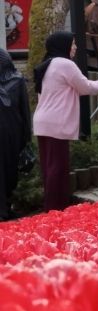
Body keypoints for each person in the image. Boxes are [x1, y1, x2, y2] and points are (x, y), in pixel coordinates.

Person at [33, 31, 98, 211]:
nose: (76, 47)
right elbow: (86, 87)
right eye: (73, 43)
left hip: (43, 122)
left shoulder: (47, 64)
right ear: (63, 45)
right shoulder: (64, 64)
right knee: (58, 169)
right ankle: (56, 209)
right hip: (56, 123)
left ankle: (51, 207)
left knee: (49, 168)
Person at [0, 49, 31, 221]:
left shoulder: (16, 81)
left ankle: (6, 205)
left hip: (12, 134)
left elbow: (24, 110)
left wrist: (26, 136)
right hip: (9, 133)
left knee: (10, 172)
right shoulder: (16, 81)